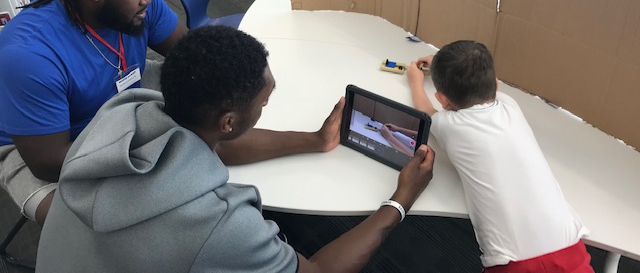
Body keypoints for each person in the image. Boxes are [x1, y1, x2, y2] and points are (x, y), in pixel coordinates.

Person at [0, 0, 340, 227]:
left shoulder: (137, 3)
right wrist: (160, 148)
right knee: (113, 227)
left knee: (207, 110)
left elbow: (198, 60)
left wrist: (240, 99)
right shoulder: (29, 56)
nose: (147, 0)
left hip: (121, 91)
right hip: (42, 149)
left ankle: (311, 141)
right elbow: (49, 163)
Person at [36, 26, 436, 273]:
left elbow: (218, 146)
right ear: (228, 122)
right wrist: (400, 200)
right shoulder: (222, 224)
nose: (266, 105)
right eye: (263, 101)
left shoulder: (119, 118)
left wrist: (315, 140)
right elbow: (318, 271)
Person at [406, 40, 593, 272]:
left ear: (442, 99)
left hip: (514, 263)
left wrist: (415, 81)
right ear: (495, 85)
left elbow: (425, 111)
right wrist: (440, 65)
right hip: (569, 249)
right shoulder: (510, 106)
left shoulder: (449, 125)